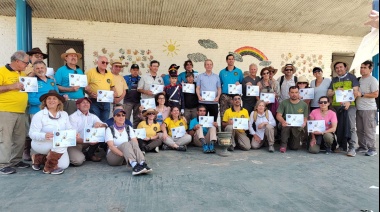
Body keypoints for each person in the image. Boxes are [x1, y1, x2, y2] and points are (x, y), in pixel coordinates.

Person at [0, 51, 31, 175]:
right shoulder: (2, 71)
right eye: (26, 62)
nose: (27, 65)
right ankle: (3, 164)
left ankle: (16, 160)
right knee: (5, 138)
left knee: (19, 138)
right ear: (17, 61)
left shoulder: (22, 73)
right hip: (5, 110)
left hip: (21, 110)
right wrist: (11, 86)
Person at [29, 90, 74, 175]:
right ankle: (49, 168)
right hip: (41, 143)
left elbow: (69, 128)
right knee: (62, 143)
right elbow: (32, 134)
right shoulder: (39, 115)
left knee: (64, 165)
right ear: (45, 102)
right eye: (49, 98)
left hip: (57, 143)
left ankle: (38, 158)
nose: (51, 100)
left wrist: (73, 133)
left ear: (59, 102)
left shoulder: (64, 114)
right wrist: (44, 135)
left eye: (54, 98)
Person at [26, 61, 60, 161]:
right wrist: (46, 103)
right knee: (37, 135)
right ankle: (35, 156)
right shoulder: (32, 81)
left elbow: (57, 95)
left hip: (52, 112)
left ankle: (48, 155)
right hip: (36, 111)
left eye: (42, 68)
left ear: (45, 69)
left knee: (50, 133)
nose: (40, 70)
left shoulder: (51, 80)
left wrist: (63, 97)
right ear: (34, 70)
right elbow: (31, 99)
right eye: (37, 68)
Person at [105, 109, 152, 176]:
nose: (121, 117)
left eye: (123, 115)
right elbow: (111, 147)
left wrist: (131, 154)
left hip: (127, 156)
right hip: (113, 156)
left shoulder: (128, 128)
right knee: (126, 143)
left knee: (133, 143)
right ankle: (135, 166)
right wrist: (125, 154)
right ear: (114, 117)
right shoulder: (109, 129)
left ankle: (142, 163)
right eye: (118, 115)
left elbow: (135, 142)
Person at [327, 60, 359, 156]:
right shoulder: (334, 80)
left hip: (350, 106)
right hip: (336, 106)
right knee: (339, 126)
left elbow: (356, 92)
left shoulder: (352, 77)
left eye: (341, 67)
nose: (339, 69)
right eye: (337, 68)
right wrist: (335, 90)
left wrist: (349, 102)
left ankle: (352, 147)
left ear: (345, 67)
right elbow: (328, 93)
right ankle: (342, 146)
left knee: (350, 126)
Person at [69, 97, 107, 165]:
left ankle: (90, 154)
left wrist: (100, 125)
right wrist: (88, 141)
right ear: (78, 106)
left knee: (102, 129)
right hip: (75, 144)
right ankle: (82, 155)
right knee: (78, 161)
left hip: (87, 142)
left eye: (87, 103)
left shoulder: (93, 116)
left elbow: (105, 125)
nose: (86, 104)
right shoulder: (72, 117)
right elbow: (73, 137)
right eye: (83, 102)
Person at [356, 60, 379, 156]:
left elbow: (375, 94)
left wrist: (362, 94)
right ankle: (362, 147)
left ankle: (372, 148)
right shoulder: (359, 80)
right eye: (361, 67)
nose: (362, 69)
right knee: (360, 129)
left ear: (370, 69)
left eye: (365, 67)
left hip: (369, 109)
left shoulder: (372, 80)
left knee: (369, 129)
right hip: (359, 108)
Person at [276, 86, 308, 153]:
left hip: (297, 126)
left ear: (298, 93)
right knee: (286, 127)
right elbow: (278, 115)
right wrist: (283, 121)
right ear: (289, 93)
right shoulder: (284, 103)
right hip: (285, 124)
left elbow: (305, 117)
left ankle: (291, 141)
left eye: (296, 92)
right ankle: (283, 145)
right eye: (292, 92)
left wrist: (304, 122)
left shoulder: (304, 105)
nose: (294, 94)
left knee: (294, 147)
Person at [85, 56, 116, 122]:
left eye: (106, 63)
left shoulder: (110, 74)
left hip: (106, 102)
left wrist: (114, 94)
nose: (105, 64)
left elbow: (112, 86)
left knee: (104, 122)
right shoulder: (90, 72)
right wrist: (90, 93)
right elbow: (84, 86)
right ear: (97, 62)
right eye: (103, 62)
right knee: (95, 122)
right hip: (94, 101)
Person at [55, 48, 85, 115]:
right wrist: (70, 89)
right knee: (70, 122)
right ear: (66, 58)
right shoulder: (61, 70)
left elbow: (82, 86)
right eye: (71, 55)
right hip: (69, 102)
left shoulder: (80, 70)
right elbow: (56, 86)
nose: (73, 57)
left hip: (81, 101)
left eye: (75, 56)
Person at [219, 54, 244, 122]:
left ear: (234, 60)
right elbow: (219, 85)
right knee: (223, 114)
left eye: (232, 59)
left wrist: (239, 83)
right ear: (227, 61)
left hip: (235, 96)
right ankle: (224, 131)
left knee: (235, 114)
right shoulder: (222, 72)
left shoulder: (239, 71)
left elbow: (242, 82)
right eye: (229, 59)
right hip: (225, 96)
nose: (231, 60)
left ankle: (236, 130)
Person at [123, 64, 141, 128]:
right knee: (125, 118)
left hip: (138, 102)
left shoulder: (140, 79)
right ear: (130, 70)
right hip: (127, 102)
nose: (135, 71)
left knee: (137, 119)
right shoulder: (125, 78)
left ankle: (135, 133)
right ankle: (125, 132)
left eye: (137, 70)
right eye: (134, 70)